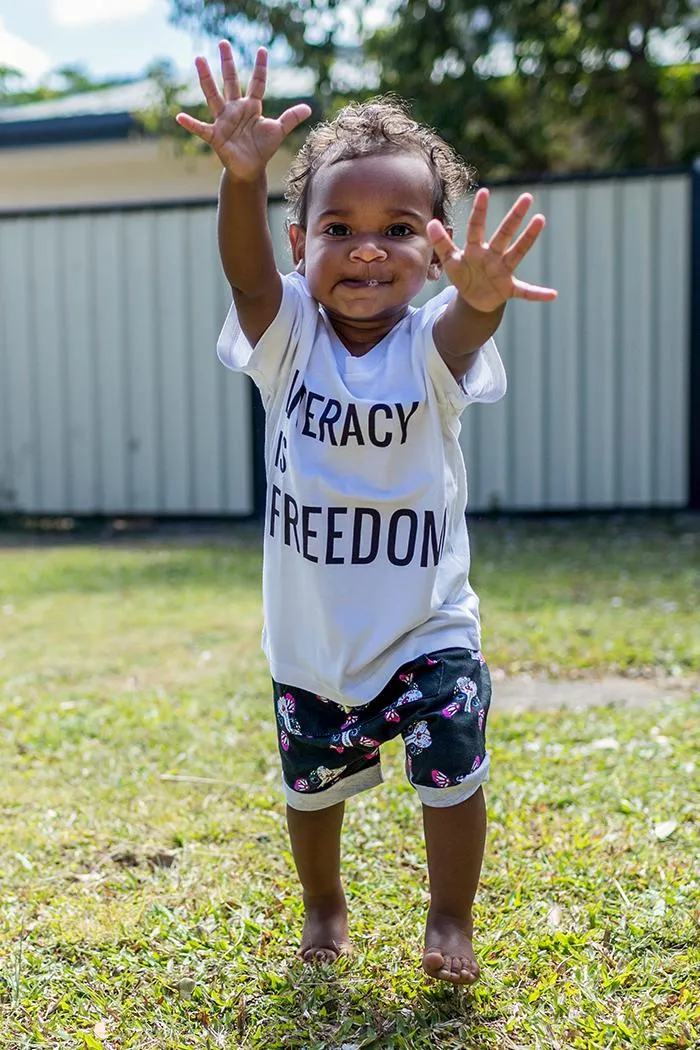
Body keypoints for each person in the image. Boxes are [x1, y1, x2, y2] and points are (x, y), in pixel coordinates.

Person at [177, 41, 556, 986]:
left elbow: (464, 331)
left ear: (436, 249)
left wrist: (484, 303)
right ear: (301, 243)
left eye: (397, 227)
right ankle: (324, 903)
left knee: (453, 772)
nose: (367, 247)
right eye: (337, 227)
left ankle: (450, 916)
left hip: (428, 625)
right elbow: (249, 281)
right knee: (314, 793)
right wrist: (243, 181)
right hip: (313, 637)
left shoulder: (431, 341)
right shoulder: (290, 340)